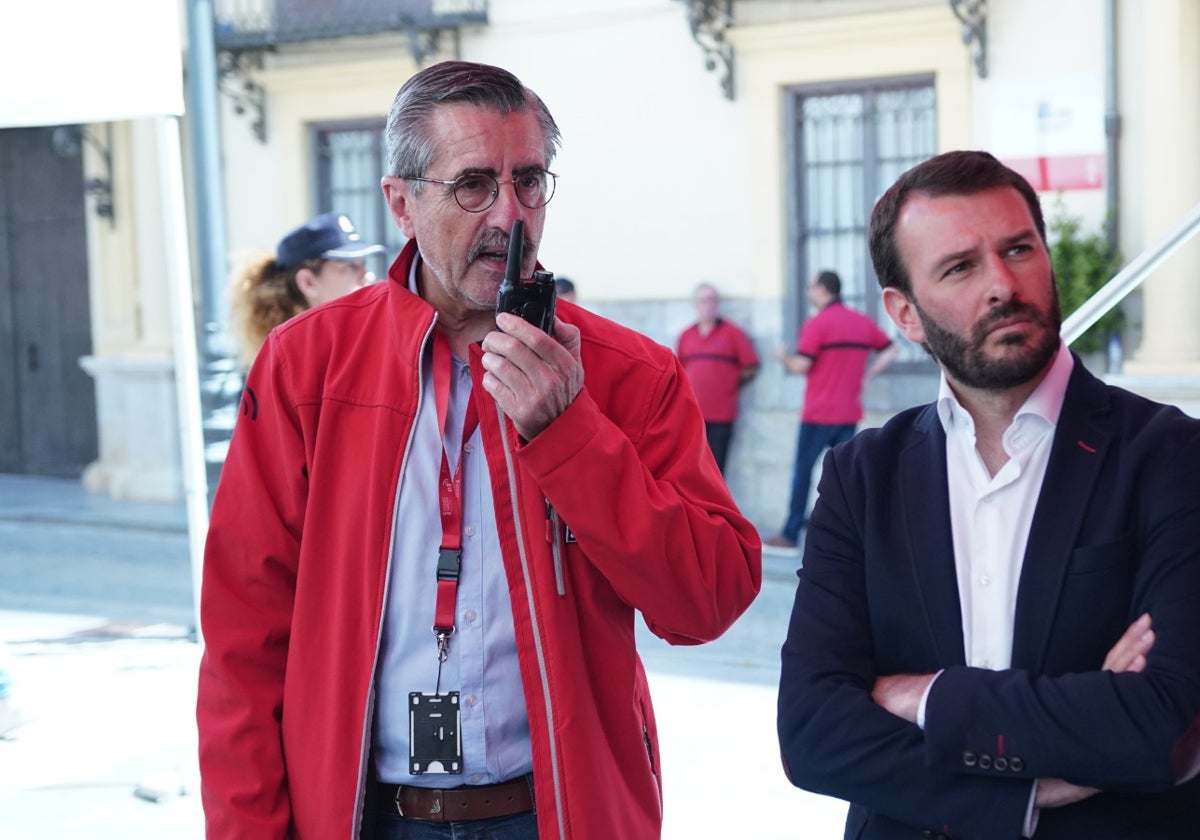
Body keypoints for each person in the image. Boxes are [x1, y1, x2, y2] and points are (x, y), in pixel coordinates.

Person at [197, 60, 761, 840]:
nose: (510, 215)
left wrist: (572, 435)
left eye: (529, 181)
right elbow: (243, 635)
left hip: (557, 812)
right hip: (367, 815)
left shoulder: (629, 374)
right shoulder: (305, 367)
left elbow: (708, 601)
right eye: (473, 186)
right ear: (401, 203)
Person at [777, 150, 1200, 839]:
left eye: (1018, 250)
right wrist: (1032, 790)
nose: (1002, 283)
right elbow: (813, 733)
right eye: (960, 267)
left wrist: (927, 697)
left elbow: (1164, 727)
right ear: (905, 313)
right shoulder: (862, 478)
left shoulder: (1169, 456)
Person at [763, 270, 897, 548]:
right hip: (848, 412)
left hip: (818, 413)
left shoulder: (818, 324)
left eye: (811, 287)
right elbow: (891, 349)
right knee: (845, 478)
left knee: (803, 471)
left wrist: (781, 357)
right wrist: (868, 374)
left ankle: (789, 533)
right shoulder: (861, 322)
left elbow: (802, 365)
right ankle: (849, 536)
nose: (808, 292)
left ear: (823, 290)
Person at [227, 211, 385, 367]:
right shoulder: (288, 365)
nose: (367, 276)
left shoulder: (371, 340)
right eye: (349, 266)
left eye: (363, 264)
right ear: (307, 282)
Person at [675, 282, 760, 473]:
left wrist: (728, 382)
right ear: (695, 305)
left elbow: (750, 366)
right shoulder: (685, 336)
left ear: (718, 304)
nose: (708, 305)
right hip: (692, 415)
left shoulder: (733, 333)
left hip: (722, 415)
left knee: (716, 471)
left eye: (713, 300)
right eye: (704, 300)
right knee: (691, 470)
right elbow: (679, 370)